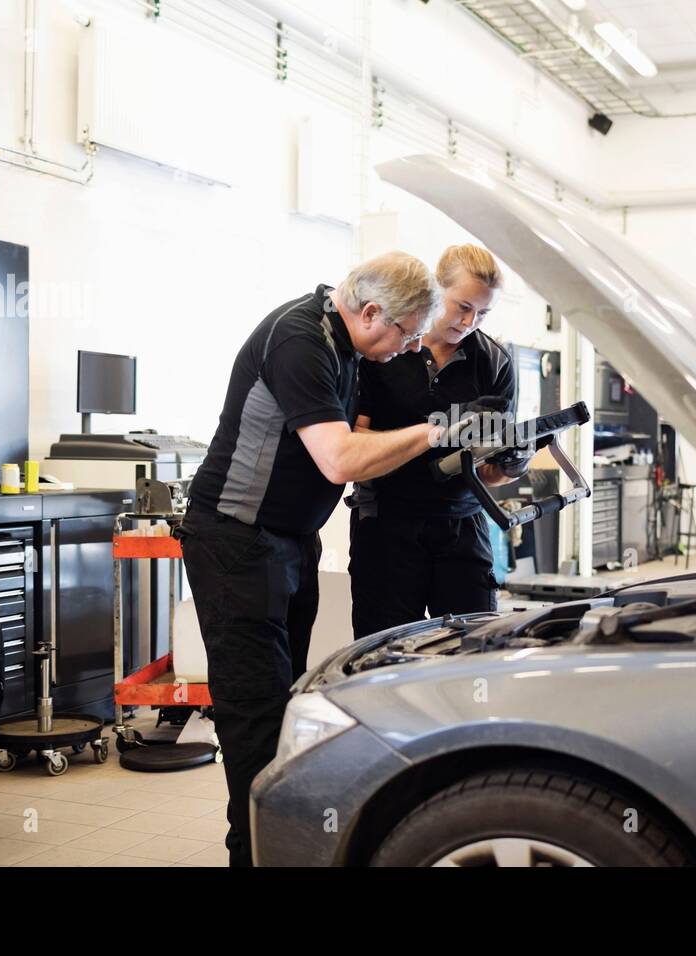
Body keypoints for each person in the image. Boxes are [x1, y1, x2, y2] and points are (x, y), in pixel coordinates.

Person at [178, 251, 444, 867]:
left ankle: (275, 850)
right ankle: (254, 856)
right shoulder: (299, 339)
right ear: (372, 311)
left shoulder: (347, 344)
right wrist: (435, 432)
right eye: (404, 334)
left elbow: (355, 441)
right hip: (236, 542)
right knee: (256, 721)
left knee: (286, 709)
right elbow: (340, 459)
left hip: (291, 542)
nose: (406, 348)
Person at [348, 244, 531, 638]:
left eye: (482, 313)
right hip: (386, 526)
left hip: (462, 528)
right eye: (462, 306)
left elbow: (489, 473)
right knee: (382, 658)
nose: (469, 321)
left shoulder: (494, 362)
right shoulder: (386, 346)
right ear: (436, 289)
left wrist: (510, 463)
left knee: (473, 651)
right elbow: (351, 440)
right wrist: (429, 438)